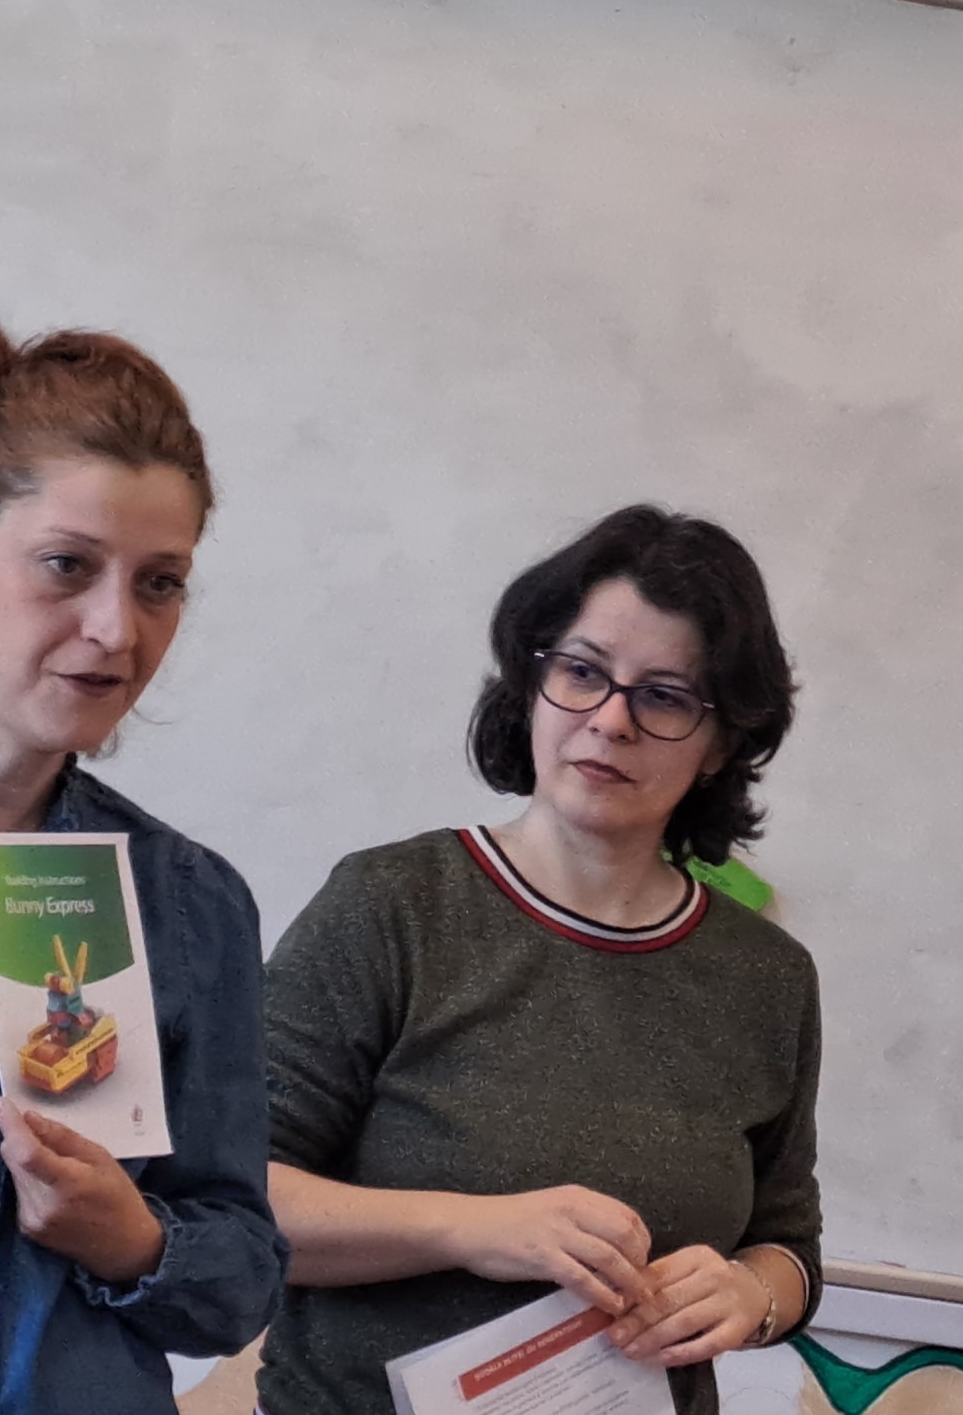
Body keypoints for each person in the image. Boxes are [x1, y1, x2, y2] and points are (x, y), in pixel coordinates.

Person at [259, 505, 822, 1415]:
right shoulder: (391, 906)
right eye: (583, 673)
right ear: (532, 685)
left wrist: (749, 1295)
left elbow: (788, 1244)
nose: (612, 720)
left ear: (722, 743)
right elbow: (234, 1203)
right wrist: (474, 1228)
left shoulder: (769, 977)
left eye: (665, 696)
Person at [0, 315, 287, 1410]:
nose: (115, 628)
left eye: (160, 583)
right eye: (67, 566)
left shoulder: (190, 902)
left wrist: (132, 1238)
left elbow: (239, 1276)